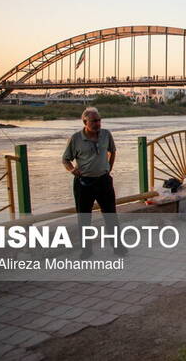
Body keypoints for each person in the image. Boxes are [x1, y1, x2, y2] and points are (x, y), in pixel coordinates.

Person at [62, 107, 125, 258]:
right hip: (84, 184)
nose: (98, 124)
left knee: (111, 215)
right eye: (94, 121)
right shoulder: (76, 138)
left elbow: (113, 151)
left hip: (103, 181)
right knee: (84, 218)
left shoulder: (106, 134)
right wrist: (72, 170)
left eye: (99, 120)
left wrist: (108, 168)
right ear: (85, 122)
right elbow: (66, 159)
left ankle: (118, 247)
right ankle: (86, 250)